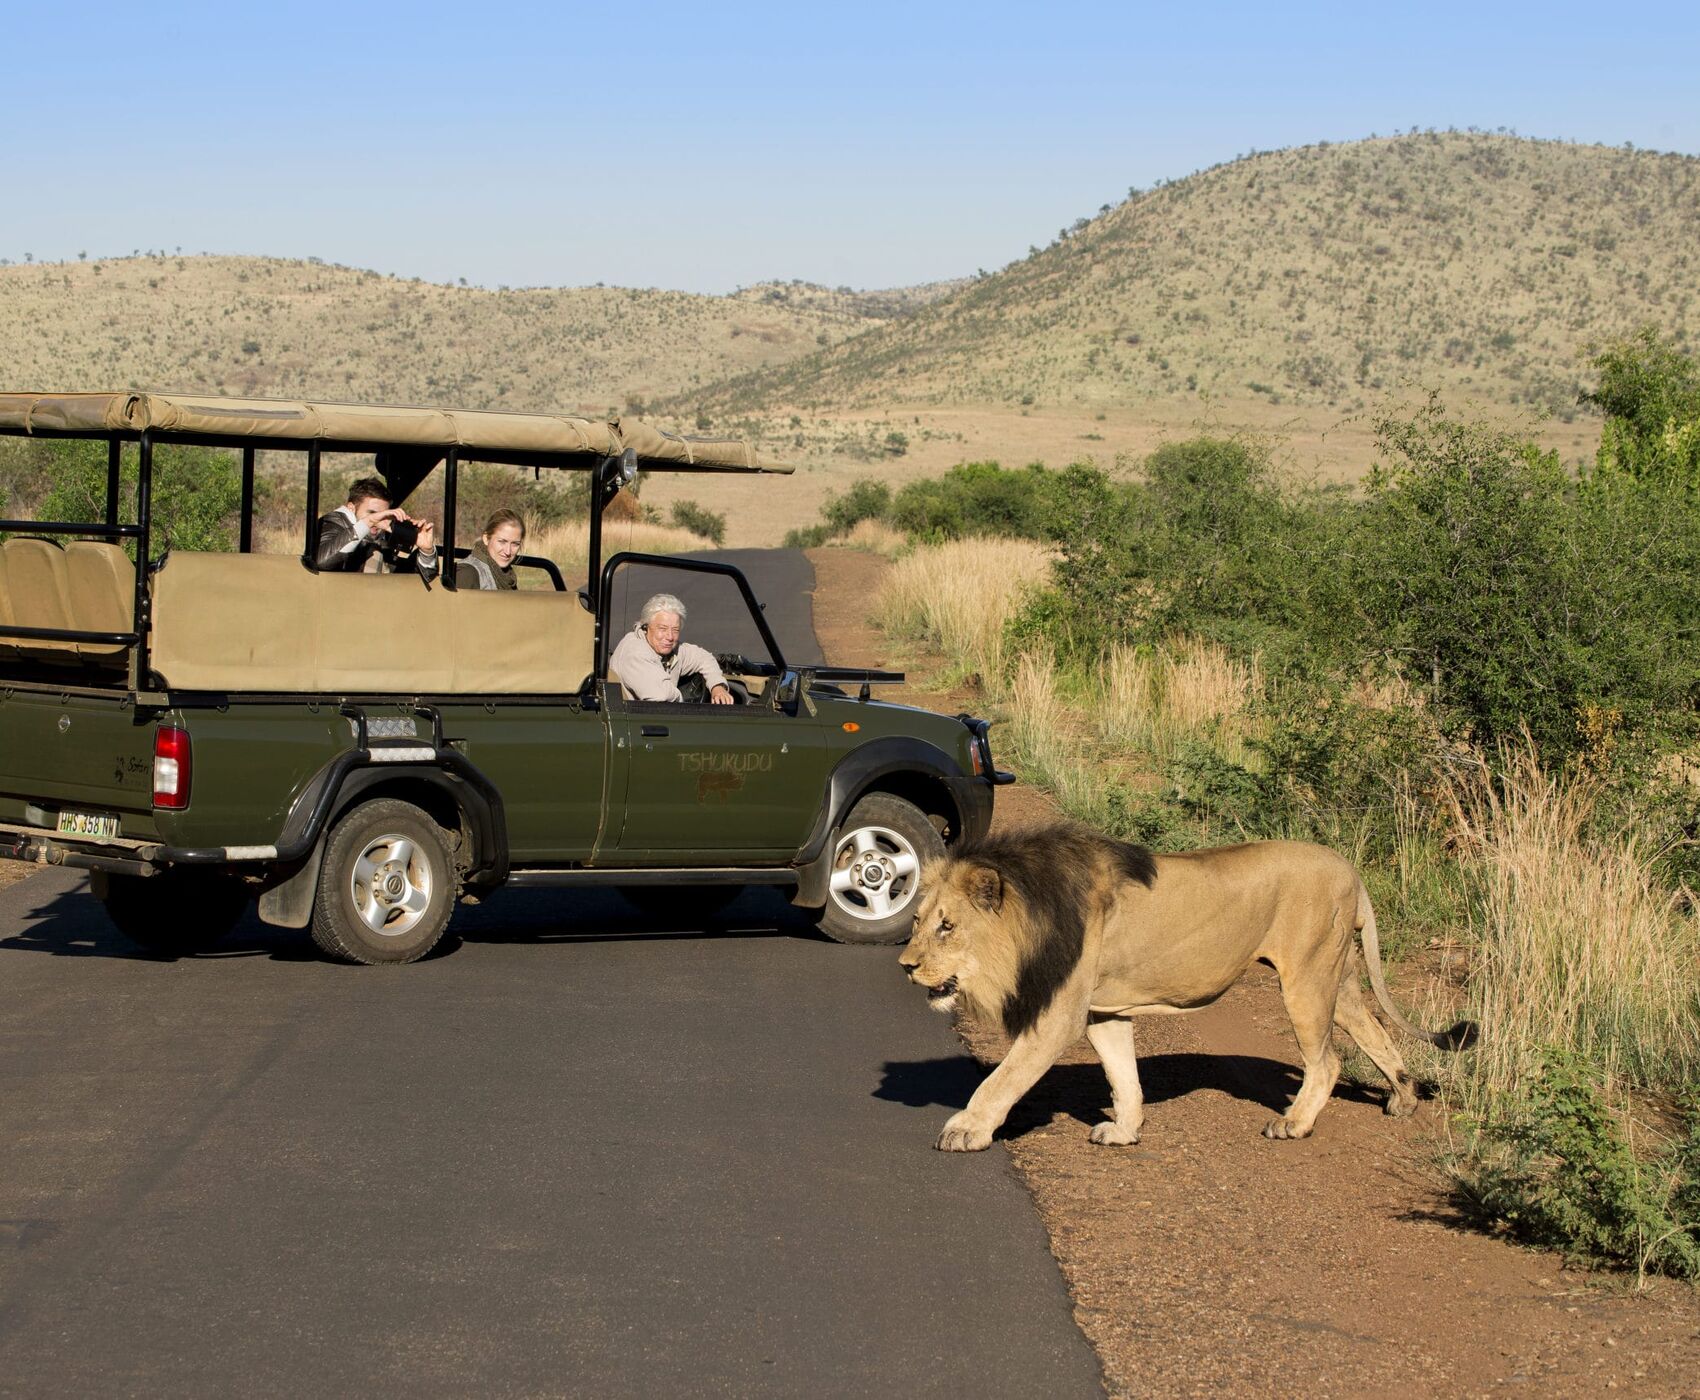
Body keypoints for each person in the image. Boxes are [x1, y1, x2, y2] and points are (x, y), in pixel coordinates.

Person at [609, 592, 733, 704]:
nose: (669, 637)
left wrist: (717, 686)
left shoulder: (671, 650)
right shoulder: (635, 652)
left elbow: (704, 657)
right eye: (662, 629)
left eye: (675, 630)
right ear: (646, 627)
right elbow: (661, 695)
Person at [314, 476, 438, 581]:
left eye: (383, 515)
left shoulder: (381, 537)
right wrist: (369, 521)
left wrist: (426, 550)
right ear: (351, 508)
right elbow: (323, 561)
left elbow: (411, 579)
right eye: (372, 512)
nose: (378, 519)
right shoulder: (334, 521)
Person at [455, 509, 526, 591]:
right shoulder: (467, 573)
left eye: (515, 544)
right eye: (502, 542)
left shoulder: (507, 576)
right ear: (486, 539)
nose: (508, 551)